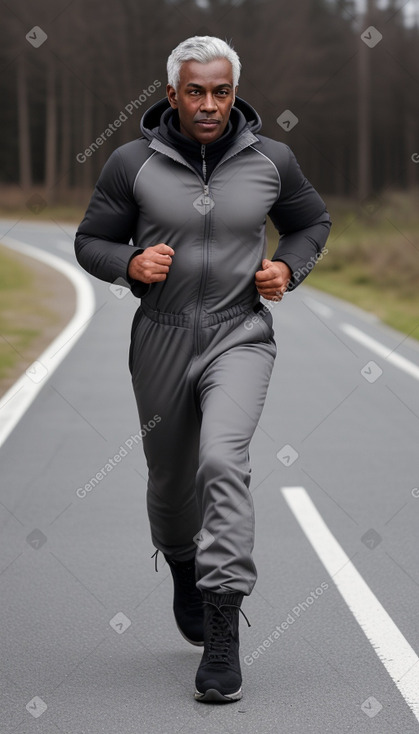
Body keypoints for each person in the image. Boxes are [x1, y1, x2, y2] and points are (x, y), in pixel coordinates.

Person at [74, 35, 331, 703]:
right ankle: (183, 566)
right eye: (196, 91)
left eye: (220, 90)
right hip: (159, 340)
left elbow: (310, 224)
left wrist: (287, 268)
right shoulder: (132, 162)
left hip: (238, 336)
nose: (209, 104)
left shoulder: (271, 159)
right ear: (172, 95)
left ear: (234, 90)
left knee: (222, 460)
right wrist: (127, 265)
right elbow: (90, 240)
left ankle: (222, 631)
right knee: (168, 485)